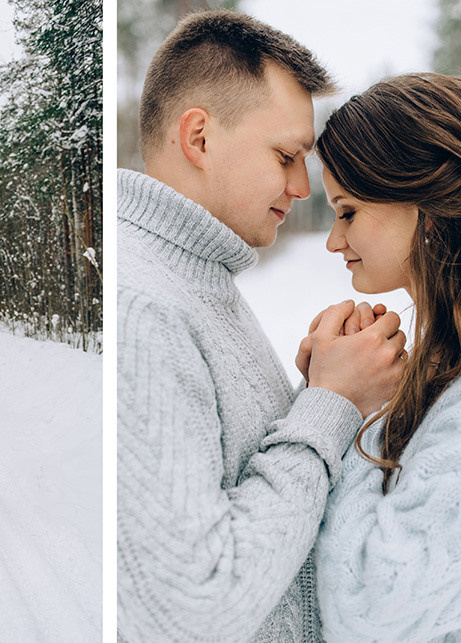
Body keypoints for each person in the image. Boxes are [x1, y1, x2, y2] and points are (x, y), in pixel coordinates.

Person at [116, 10, 405, 642]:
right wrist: (331, 404)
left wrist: (317, 393)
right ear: (199, 138)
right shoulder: (143, 309)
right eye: (286, 155)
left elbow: (235, 487)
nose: (304, 187)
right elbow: (191, 607)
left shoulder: (194, 278)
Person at [307, 73, 461, 641]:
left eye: (348, 211)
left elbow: (367, 609)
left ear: (427, 207)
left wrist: (345, 406)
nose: (334, 242)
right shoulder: (459, 356)